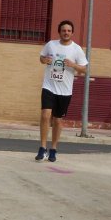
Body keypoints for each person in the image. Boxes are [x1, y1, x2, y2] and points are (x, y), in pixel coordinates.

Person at [36, 20, 88, 163]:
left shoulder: (76, 49)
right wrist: (44, 59)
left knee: (58, 121)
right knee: (45, 115)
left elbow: (85, 68)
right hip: (49, 86)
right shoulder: (51, 45)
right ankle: (42, 148)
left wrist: (73, 65)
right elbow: (41, 58)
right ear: (59, 32)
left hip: (64, 90)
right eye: (64, 30)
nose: (66, 33)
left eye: (69, 31)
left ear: (72, 33)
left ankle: (53, 149)